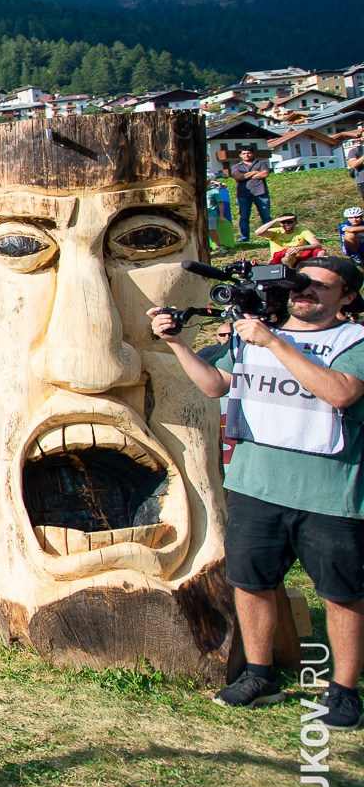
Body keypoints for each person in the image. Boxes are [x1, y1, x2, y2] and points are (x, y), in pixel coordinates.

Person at [145, 257, 364, 721]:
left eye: (322, 287)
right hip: (256, 483)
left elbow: (340, 393)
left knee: (341, 593)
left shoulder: (353, 340)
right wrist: (177, 343)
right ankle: (260, 675)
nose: (306, 293)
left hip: (330, 492)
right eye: (301, 285)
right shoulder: (254, 335)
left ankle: (344, 690)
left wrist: (273, 341)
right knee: (251, 583)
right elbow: (214, 385)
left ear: (346, 297)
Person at [230, 147, 273, 241]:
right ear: (240, 155)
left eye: (249, 153)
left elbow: (264, 174)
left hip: (261, 193)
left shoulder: (261, 163)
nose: (246, 155)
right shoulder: (236, 166)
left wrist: (245, 176)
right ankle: (244, 237)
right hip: (243, 194)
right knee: (244, 217)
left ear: (253, 154)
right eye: (244, 153)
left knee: (265, 216)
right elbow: (238, 177)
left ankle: (269, 234)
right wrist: (254, 172)